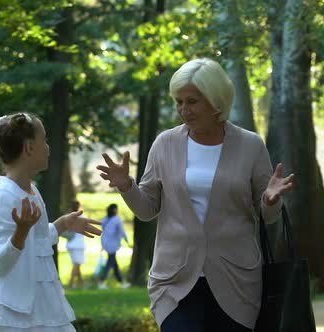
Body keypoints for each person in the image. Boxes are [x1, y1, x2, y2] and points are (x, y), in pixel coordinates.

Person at [96, 58, 295, 331]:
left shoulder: (250, 145)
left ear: (216, 102)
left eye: (192, 101)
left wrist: (270, 200)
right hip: (175, 282)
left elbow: (268, 217)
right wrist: (127, 186)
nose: (183, 109)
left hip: (236, 281)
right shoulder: (165, 144)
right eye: (178, 101)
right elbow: (147, 209)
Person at [0, 112, 102, 331]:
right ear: (29, 148)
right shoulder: (4, 196)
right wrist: (20, 232)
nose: (47, 147)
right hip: (8, 313)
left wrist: (62, 225)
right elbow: (1, 263)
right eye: (44, 140)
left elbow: (35, 244)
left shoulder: (31, 191)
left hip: (35, 304)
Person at [97, 203, 131, 289]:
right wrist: (127, 240)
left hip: (105, 242)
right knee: (110, 263)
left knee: (114, 263)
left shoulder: (105, 219)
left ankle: (121, 282)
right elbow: (122, 231)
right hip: (113, 243)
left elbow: (104, 230)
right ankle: (101, 281)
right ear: (114, 210)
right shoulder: (117, 220)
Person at [65, 200, 86, 289]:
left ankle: (81, 283)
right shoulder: (82, 217)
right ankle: (71, 283)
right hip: (78, 243)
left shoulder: (68, 216)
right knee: (77, 264)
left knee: (77, 263)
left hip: (71, 243)